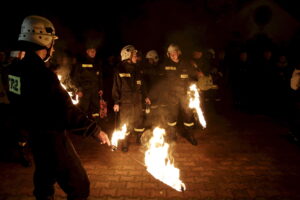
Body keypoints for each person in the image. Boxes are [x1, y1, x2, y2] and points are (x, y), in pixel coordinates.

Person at [6, 15, 110, 200]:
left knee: (44, 183)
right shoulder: (43, 76)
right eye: (52, 43)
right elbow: (66, 112)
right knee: (80, 187)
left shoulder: (14, 69)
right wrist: (95, 130)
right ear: (42, 41)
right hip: (52, 138)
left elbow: (17, 104)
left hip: (35, 136)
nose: (53, 48)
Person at [112, 45, 151, 152]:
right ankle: (125, 143)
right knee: (125, 122)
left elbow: (142, 85)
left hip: (137, 100)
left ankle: (139, 137)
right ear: (127, 55)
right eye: (134, 54)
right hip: (125, 101)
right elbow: (116, 87)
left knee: (139, 120)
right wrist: (116, 102)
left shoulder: (137, 68)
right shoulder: (119, 69)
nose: (136, 56)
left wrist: (146, 96)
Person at [161, 44, 198, 145]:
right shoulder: (166, 65)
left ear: (178, 52)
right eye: (171, 53)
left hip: (184, 95)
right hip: (172, 96)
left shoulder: (186, 64)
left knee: (188, 117)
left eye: (174, 53)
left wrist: (193, 87)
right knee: (172, 117)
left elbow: (194, 77)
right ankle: (172, 135)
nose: (173, 55)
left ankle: (190, 135)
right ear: (168, 55)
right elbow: (158, 77)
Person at [73, 43, 104, 124]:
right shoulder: (81, 62)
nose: (93, 52)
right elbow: (76, 78)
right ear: (87, 51)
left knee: (96, 110)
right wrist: (78, 90)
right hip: (84, 91)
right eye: (91, 51)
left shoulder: (97, 63)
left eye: (94, 51)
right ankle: (82, 127)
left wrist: (101, 88)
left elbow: (100, 77)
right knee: (83, 110)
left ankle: (95, 126)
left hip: (95, 91)